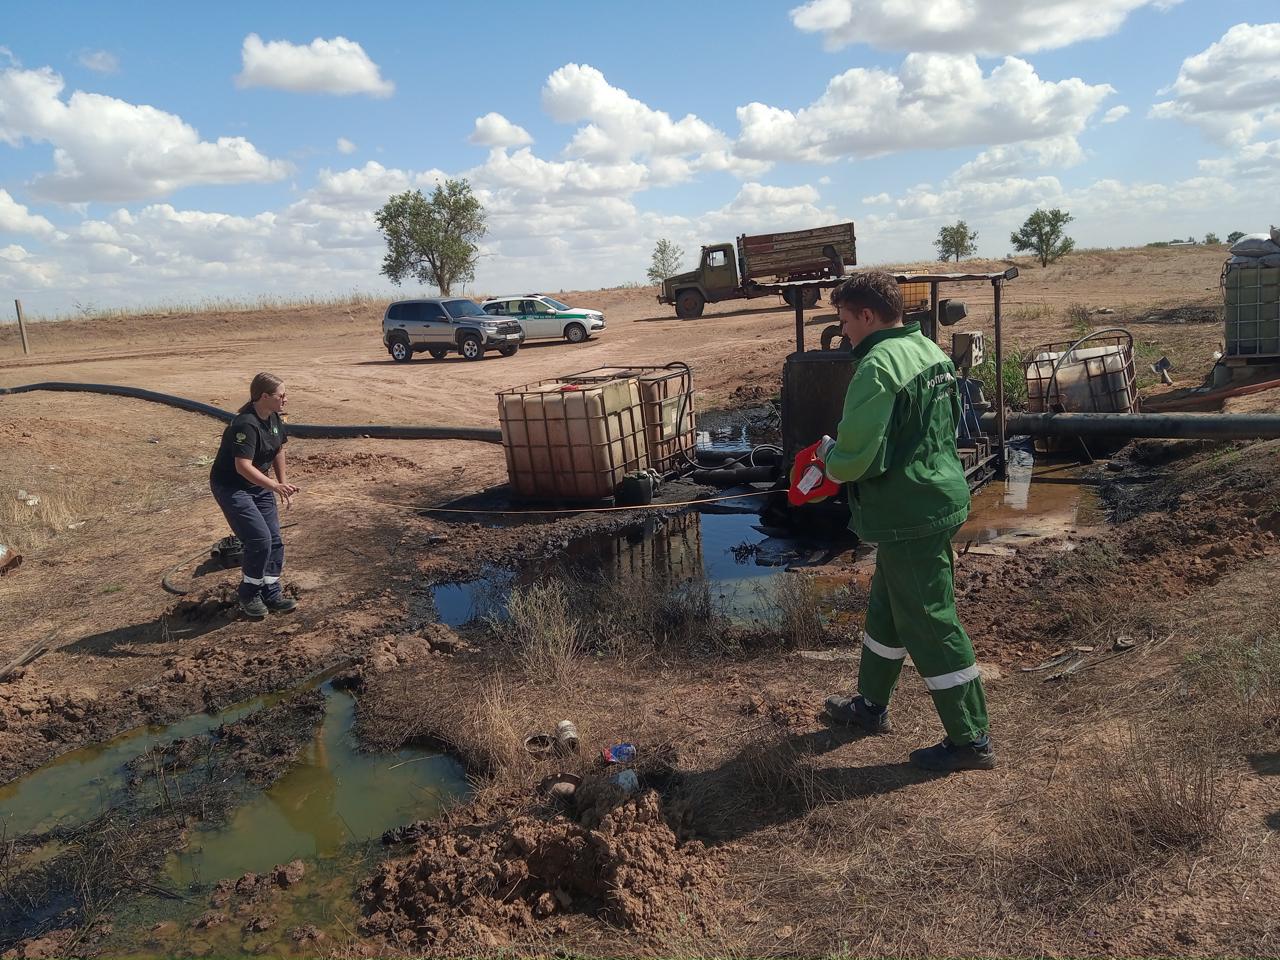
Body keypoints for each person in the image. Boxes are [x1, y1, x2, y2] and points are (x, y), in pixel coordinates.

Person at [816, 271, 994, 772]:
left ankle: (970, 738)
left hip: (910, 509)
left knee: (931, 621)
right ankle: (870, 705)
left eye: (845, 320)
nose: (843, 331)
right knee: (888, 610)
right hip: (936, 494)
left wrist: (828, 460)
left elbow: (857, 455)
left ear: (867, 316)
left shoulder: (876, 366)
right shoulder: (931, 353)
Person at [209, 372, 299, 620]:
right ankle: (249, 594)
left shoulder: (273, 419)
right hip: (233, 487)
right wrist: (274, 486)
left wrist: (282, 484)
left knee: (275, 540)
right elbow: (242, 467)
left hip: (260, 485)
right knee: (259, 540)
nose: (286, 399)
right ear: (264, 396)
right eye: (281, 395)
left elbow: (278, 449)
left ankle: (271, 591)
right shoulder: (245, 425)